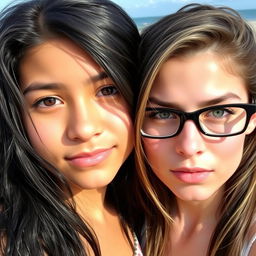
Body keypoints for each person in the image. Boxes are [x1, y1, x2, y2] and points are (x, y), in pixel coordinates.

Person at [0, 0, 142, 255]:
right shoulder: (14, 243)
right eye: (49, 101)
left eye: (108, 90)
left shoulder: (146, 210)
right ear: (15, 114)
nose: (84, 128)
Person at [134, 4, 256, 256]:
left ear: (253, 117)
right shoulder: (123, 221)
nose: (189, 147)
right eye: (162, 114)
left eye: (219, 112)